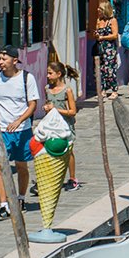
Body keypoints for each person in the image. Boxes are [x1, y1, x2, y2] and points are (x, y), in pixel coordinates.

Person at [0, 47, 38, 221]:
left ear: (15, 60)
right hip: (1, 130)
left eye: (4, 59)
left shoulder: (27, 78)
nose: (1, 62)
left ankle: (21, 198)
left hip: (22, 130)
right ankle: (3, 204)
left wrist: (19, 120)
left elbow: (33, 104)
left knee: (21, 166)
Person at [46, 58, 80, 189]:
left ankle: (72, 178)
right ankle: (52, 178)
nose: (48, 76)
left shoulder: (67, 90)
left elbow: (72, 111)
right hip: (52, 125)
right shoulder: (47, 89)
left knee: (68, 151)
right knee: (50, 150)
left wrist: (56, 109)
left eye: (50, 73)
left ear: (58, 74)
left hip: (65, 124)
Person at [92, 1, 121, 99]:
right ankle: (102, 90)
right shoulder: (99, 20)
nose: (98, 10)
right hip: (99, 48)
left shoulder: (112, 21)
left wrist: (103, 38)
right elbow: (96, 32)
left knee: (110, 70)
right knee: (100, 70)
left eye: (100, 8)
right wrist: (96, 35)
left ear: (105, 9)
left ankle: (114, 90)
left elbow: (115, 35)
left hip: (109, 49)